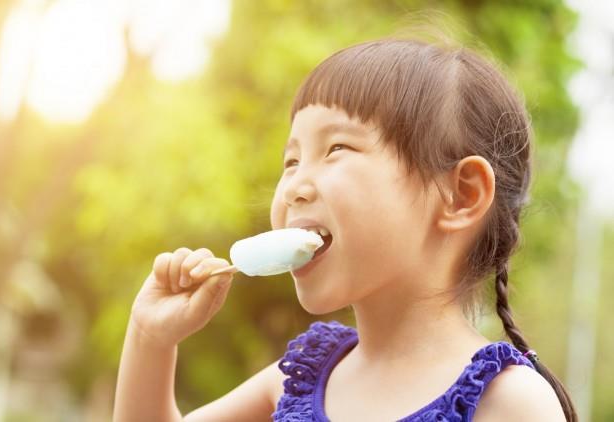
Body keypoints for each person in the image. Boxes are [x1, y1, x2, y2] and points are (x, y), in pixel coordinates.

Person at [113, 36, 578, 421]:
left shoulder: (512, 403)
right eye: (291, 160)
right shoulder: (302, 376)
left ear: (461, 195)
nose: (293, 185)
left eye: (336, 148)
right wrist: (150, 339)